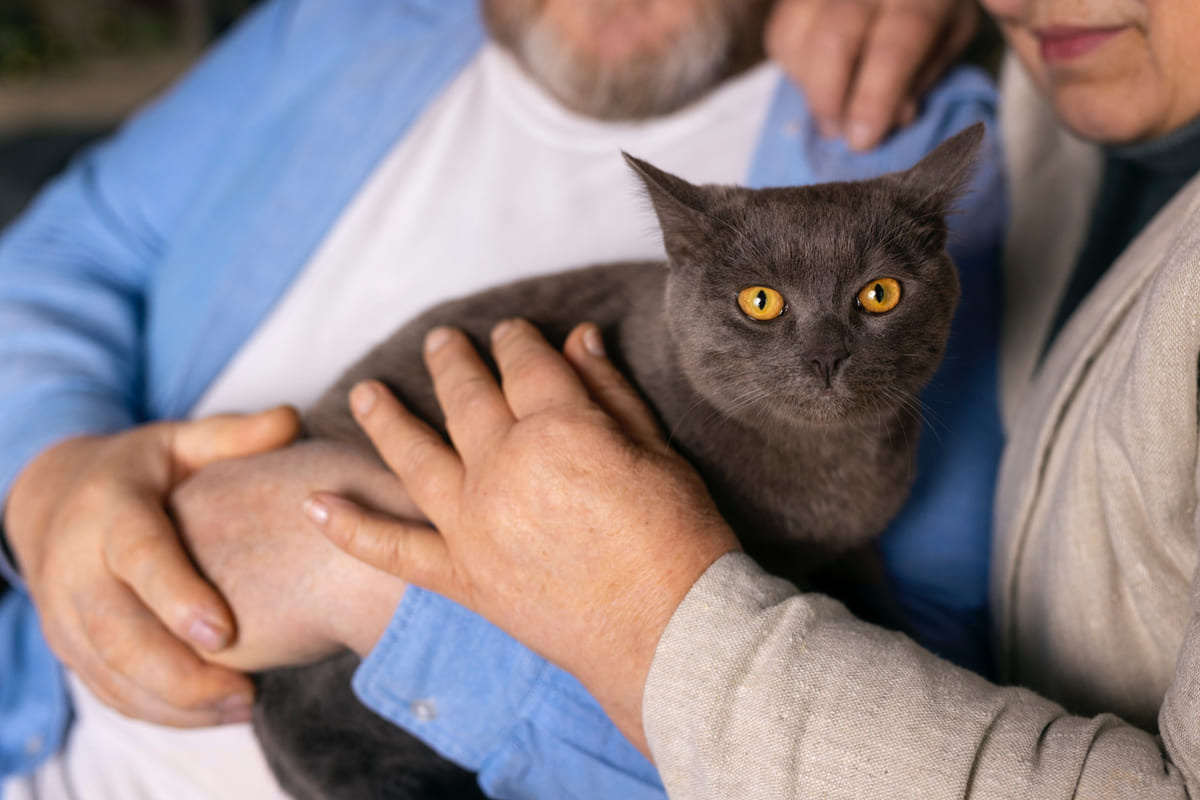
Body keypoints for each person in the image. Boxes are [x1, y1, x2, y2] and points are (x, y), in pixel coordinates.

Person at [0, 0, 1001, 796]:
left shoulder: (900, 134)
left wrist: (368, 580)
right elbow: (64, 253)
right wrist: (51, 475)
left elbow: (890, 729)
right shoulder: (342, 21)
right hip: (32, 720)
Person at [293, 0, 1200, 797]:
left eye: (876, 299)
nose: (825, 357)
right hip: (343, 647)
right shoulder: (1071, 108)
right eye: (762, 306)